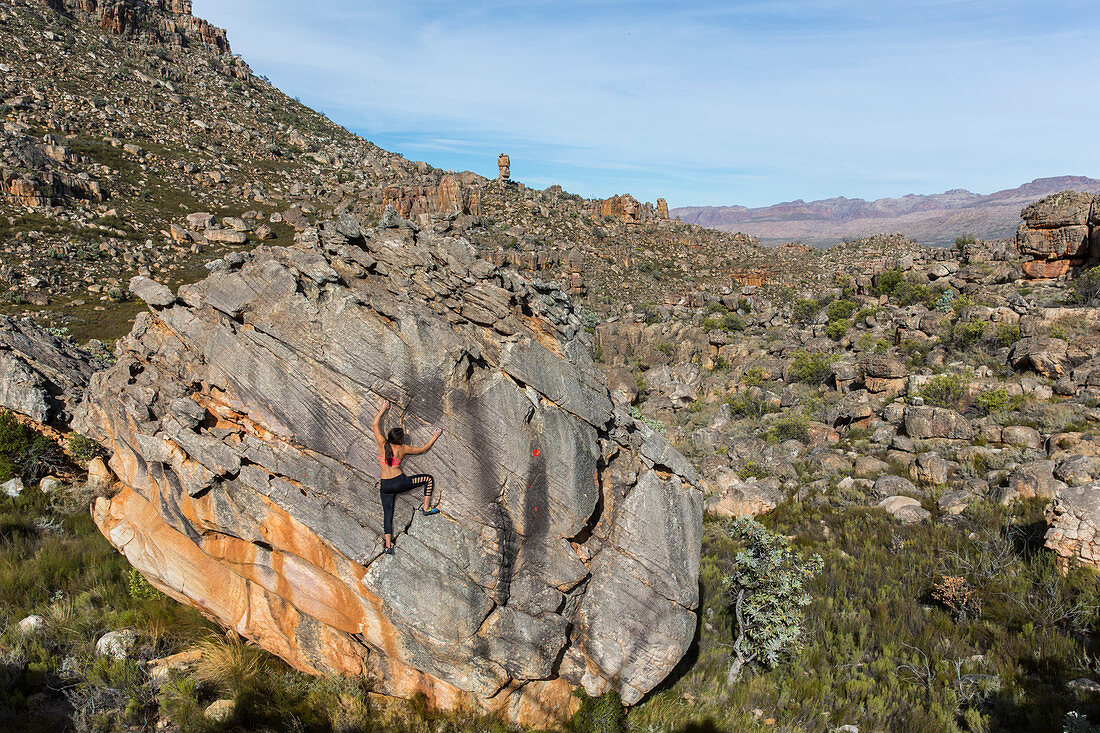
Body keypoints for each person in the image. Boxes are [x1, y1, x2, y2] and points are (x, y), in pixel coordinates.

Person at [372, 399, 442, 555]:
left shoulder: (382, 443)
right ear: (400, 440)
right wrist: (434, 436)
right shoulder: (402, 449)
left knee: (387, 514)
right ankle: (425, 508)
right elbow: (423, 449)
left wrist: (383, 408)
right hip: (399, 482)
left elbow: (375, 425)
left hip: (386, 486)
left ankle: (388, 546)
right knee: (428, 479)